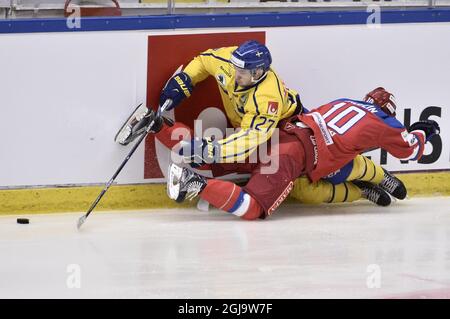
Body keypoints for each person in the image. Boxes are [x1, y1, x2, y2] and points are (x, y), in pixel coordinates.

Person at [166, 87, 440, 220]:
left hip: (278, 135)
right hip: (298, 157)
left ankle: (155, 124)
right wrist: (422, 131)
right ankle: (194, 184)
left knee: (211, 154)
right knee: (257, 208)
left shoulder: (345, 101)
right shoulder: (385, 122)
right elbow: (412, 149)